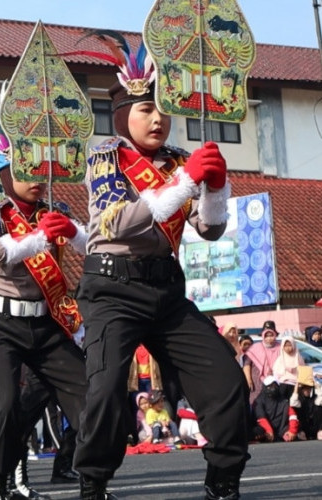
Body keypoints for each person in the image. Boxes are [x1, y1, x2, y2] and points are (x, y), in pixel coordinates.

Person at [71, 38, 250, 500]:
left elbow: (208, 231)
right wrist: (187, 181)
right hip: (112, 287)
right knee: (107, 388)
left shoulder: (173, 160)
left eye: (164, 109)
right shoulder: (105, 157)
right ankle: (93, 483)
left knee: (225, 379)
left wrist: (215, 187)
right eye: (147, 108)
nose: (158, 119)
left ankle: (224, 479)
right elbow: (122, 222)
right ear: (123, 114)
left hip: (167, 290)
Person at [0, 144, 88, 500]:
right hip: (0, 321)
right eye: (25, 172)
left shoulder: (56, 211)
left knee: (89, 395)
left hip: (47, 321)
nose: (35, 179)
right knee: (4, 402)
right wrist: (35, 239)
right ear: (6, 176)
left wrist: (70, 230)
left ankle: (94, 480)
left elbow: (94, 245)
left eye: (40, 171)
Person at [243, 321, 281, 405]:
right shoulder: (255, 348)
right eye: (266, 335)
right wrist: (248, 379)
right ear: (263, 335)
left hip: (276, 382)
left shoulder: (280, 348)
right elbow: (246, 364)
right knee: (257, 405)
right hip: (257, 383)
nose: (269, 338)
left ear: (275, 334)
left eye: (271, 335)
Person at [251, 376, 298, 443]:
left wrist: (292, 431)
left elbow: (292, 415)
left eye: (274, 386)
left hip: (282, 428)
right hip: (264, 429)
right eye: (269, 386)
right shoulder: (258, 401)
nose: (272, 388)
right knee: (257, 432)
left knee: (298, 434)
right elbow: (261, 418)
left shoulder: (284, 401)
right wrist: (269, 430)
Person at [288, 366, 322, 441]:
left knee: (319, 406)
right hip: (304, 426)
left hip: (315, 426)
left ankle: (320, 431)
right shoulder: (299, 398)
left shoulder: (314, 398)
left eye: (309, 388)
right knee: (295, 408)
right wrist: (297, 386)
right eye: (305, 388)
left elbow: (320, 400)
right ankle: (301, 432)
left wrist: (315, 384)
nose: (307, 390)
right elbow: (293, 403)